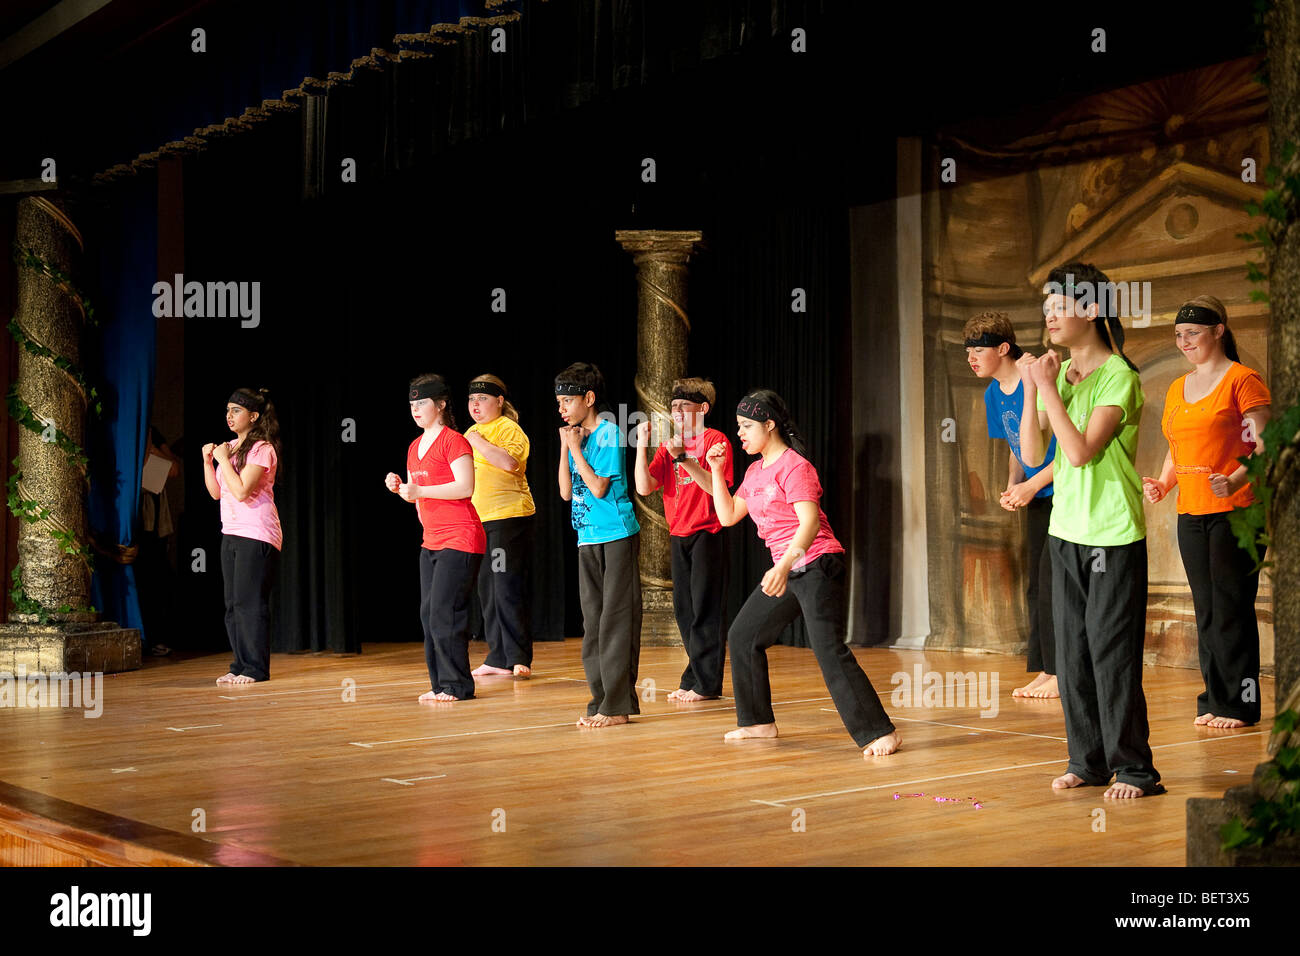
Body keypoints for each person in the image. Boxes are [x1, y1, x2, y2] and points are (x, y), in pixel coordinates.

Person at [1018, 262, 1163, 798]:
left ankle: (1135, 770)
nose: (1050, 316)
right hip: (1066, 533)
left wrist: (1048, 386)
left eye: (1060, 306)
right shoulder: (1065, 379)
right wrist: (1040, 389)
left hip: (1113, 535)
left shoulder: (1119, 376)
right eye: (1047, 309)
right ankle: (1087, 760)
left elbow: (1079, 452)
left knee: (1110, 652)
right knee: (1071, 654)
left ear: (1093, 310)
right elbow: (1035, 455)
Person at [705, 388, 899, 758]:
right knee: (744, 636)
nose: (740, 433)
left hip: (817, 564)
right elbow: (728, 514)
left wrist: (782, 565)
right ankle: (757, 722)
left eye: (746, 426)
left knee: (827, 648)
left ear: (770, 424)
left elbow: (809, 524)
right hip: (789, 568)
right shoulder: (755, 471)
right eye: (738, 427)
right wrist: (713, 471)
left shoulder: (796, 466)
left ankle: (878, 731)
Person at [1142, 296, 1270, 728]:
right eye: (1178, 335)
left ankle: (1241, 704)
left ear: (1218, 330)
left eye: (1192, 333)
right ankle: (1215, 698)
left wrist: (1233, 480)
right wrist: (1164, 483)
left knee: (1232, 607)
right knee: (1207, 609)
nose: (1184, 341)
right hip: (1191, 511)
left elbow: (1263, 447)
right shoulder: (1179, 386)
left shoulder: (1243, 380)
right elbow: (1179, 449)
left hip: (1236, 511)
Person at [965, 311, 1058, 699]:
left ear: (1003, 348)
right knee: (1038, 584)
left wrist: (1033, 485)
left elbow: (1066, 449)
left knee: (1057, 585)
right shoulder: (992, 394)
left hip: (1061, 492)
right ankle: (1044, 667)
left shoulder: (1036, 378)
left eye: (979, 350)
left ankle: (1062, 672)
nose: (971, 358)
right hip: (1034, 495)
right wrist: (1012, 485)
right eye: (967, 351)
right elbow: (1015, 445)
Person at [385, 374, 486, 702]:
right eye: (412, 404)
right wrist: (401, 489)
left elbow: (465, 487)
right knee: (429, 613)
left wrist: (419, 489)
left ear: (440, 404)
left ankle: (458, 685)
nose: (415, 409)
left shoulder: (453, 440)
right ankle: (441, 683)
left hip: (461, 537)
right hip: (431, 540)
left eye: (422, 403)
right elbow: (417, 495)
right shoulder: (415, 446)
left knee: (445, 611)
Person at [634, 377, 733, 701]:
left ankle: (706, 684)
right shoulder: (669, 445)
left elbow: (713, 486)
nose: (675, 411)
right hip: (678, 534)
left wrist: (683, 459)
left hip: (708, 532)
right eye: (673, 406)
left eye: (683, 406)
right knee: (684, 610)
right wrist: (641, 446)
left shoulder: (715, 440)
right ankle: (695, 676)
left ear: (702, 408)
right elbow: (645, 487)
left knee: (706, 609)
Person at [555, 361, 642, 728]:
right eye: (558, 402)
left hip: (616, 535)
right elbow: (564, 491)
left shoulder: (608, 432)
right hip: (586, 537)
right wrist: (565, 448)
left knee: (615, 619)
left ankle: (618, 705)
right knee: (593, 622)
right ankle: (600, 699)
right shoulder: (577, 438)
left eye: (567, 401)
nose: (561, 408)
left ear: (588, 399)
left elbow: (599, 487)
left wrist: (575, 449)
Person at [203, 388, 282, 685]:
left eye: (236, 410)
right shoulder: (230, 448)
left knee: (251, 602)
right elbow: (217, 493)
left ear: (253, 416)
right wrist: (208, 462)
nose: (229, 416)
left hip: (257, 532)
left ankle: (256, 668)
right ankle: (239, 664)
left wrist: (223, 460)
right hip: (231, 532)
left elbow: (241, 490)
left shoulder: (262, 448)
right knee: (233, 603)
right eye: (227, 410)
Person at [464, 374, 536, 680]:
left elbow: (510, 464)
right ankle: (497, 656)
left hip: (508, 518)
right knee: (488, 590)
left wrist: (478, 441)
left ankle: (518, 657)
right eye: (471, 399)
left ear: (499, 401)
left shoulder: (508, 429)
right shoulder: (470, 431)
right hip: (480, 520)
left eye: (482, 399)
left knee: (506, 586)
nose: (476, 405)